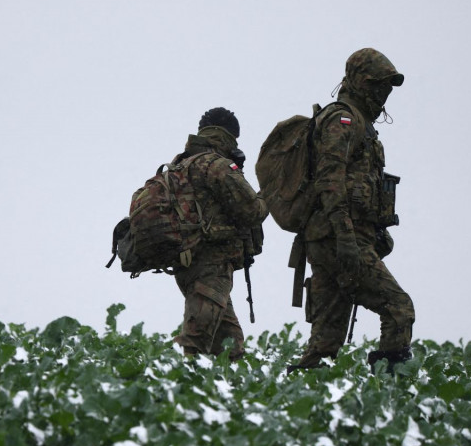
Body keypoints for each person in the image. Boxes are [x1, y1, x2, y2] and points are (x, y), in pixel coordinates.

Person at [288, 48, 415, 373]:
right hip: (339, 238)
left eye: (386, 88)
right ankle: (390, 394)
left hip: (332, 237)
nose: (383, 95)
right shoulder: (343, 119)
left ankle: (302, 402)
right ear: (359, 83)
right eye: (377, 86)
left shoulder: (357, 123)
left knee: (326, 340)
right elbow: (330, 180)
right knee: (398, 308)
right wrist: (346, 239)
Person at [172, 107, 268, 361]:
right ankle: (181, 390)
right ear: (230, 137)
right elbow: (252, 211)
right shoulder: (217, 166)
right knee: (197, 341)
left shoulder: (181, 163)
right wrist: (268, 192)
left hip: (187, 261)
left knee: (230, 346)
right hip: (211, 265)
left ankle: (229, 395)